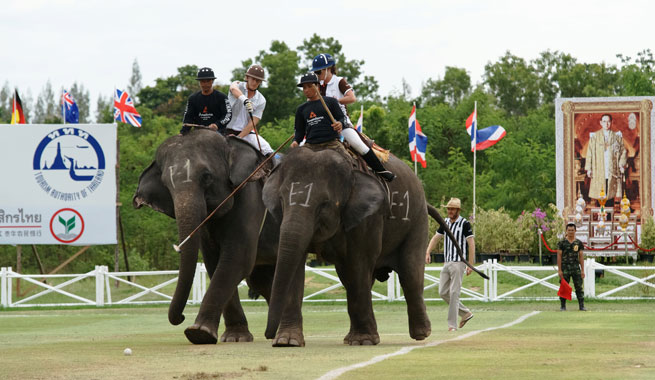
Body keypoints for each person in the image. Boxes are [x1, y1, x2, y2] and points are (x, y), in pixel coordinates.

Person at [292, 72, 394, 181]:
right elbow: (300, 131)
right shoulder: (301, 109)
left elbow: (342, 118)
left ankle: (381, 170)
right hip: (310, 145)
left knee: (348, 164)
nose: (306, 90)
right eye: (304, 88)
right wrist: (296, 141)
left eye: (309, 86)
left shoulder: (331, 102)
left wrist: (340, 123)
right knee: (294, 166)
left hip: (331, 143)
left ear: (317, 86)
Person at [425, 197, 475, 331]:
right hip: (447, 262)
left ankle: (452, 325)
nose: (449, 211)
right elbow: (436, 237)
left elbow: (471, 244)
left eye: (452, 209)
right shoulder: (445, 222)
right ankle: (465, 313)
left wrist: (470, 264)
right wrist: (428, 252)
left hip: (459, 262)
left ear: (458, 210)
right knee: (442, 292)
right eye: (448, 209)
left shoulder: (464, 223)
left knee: (454, 293)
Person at [225, 64, 274, 155]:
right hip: (224, 129)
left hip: (244, 134)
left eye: (258, 80)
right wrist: (245, 100)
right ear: (247, 77)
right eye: (253, 79)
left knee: (266, 148)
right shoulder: (237, 85)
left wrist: (238, 138)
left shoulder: (261, 100)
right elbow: (233, 88)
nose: (255, 83)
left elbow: (252, 123)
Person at [585, 114, 627, 204]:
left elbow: (623, 151)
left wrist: (621, 164)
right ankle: (601, 216)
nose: (606, 124)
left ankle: (609, 217)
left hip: (611, 170)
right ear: (601, 123)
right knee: (600, 195)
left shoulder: (617, 138)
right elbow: (589, 153)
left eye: (608, 121)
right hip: (599, 170)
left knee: (610, 194)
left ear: (611, 122)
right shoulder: (595, 137)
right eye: (604, 121)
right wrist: (589, 168)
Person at [180, 67, 232, 134]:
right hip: (198, 132)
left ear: (212, 81)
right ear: (199, 82)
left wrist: (217, 125)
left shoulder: (221, 97)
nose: (205, 84)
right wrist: (183, 132)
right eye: (202, 81)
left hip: (218, 132)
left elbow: (228, 114)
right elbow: (188, 117)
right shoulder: (192, 99)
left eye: (208, 81)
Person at [557, 223, 586, 311]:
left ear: (575, 231)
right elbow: (559, 256)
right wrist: (559, 270)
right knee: (564, 287)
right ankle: (563, 306)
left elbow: (581, 257)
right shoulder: (561, 243)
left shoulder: (578, 243)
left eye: (572, 230)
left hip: (575, 267)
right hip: (565, 267)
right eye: (569, 230)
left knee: (579, 287)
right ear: (566, 231)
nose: (570, 232)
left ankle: (581, 305)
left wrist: (582, 270)